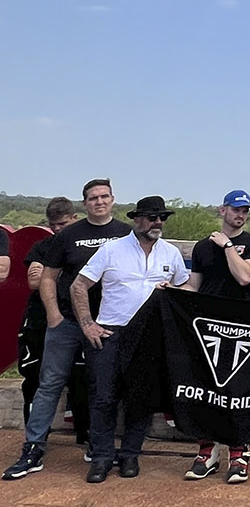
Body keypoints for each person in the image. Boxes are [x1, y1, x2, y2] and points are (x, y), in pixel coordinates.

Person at [3, 180, 130, 481]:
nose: (99, 202)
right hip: (68, 322)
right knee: (49, 384)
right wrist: (54, 316)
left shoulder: (125, 234)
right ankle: (33, 448)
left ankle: (98, 446)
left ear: (113, 199)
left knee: (101, 387)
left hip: (107, 323)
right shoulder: (68, 235)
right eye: (93, 198)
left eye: (104, 196)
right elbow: (47, 278)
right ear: (84, 204)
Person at [72, 196, 190, 483]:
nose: (157, 222)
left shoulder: (171, 253)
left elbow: (186, 285)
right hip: (111, 331)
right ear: (137, 219)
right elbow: (79, 285)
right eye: (152, 217)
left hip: (149, 335)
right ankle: (101, 458)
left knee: (140, 399)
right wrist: (87, 324)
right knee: (103, 397)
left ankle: (130, 455)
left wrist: (175, 291)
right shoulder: (111, 249)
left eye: (162, 217)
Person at [181, 189, 250, 485]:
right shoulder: (202, 247)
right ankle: (207, 452)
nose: (240, 215)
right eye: (236, 209)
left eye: (245, 211)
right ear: (223, 210)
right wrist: (172, 290)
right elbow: (195, 286)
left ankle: (238, 454)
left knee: (237, 392)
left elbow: (245, 276)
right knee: (205, 389)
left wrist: (228, 246)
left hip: (240, 328)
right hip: (207, 327)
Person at [4, 199, 83, 479]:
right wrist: (69, 274)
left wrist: (54, 274)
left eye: (64, 223)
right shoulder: (43, 245)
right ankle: (34, 443)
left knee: (84, 379)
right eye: (54, 225)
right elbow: (34, 282)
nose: (59, 229)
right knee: (39, 382)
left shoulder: (85, 242)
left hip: (83, 318)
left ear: (74, 218)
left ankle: (87, 437)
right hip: (43, 320)